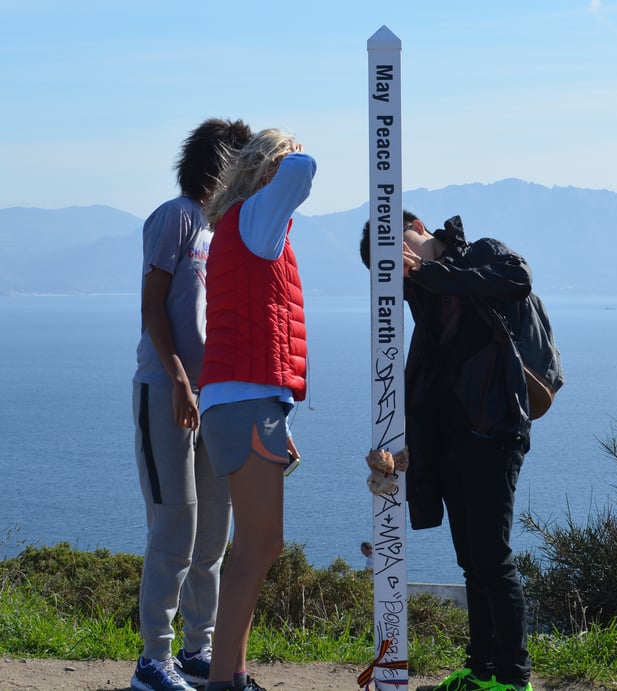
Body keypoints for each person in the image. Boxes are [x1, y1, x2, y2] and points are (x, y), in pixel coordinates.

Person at [360, 213, 534, 691]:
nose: (393, 275)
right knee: (472, 564)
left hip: (496, 431)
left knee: (493, 558)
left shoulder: (478, 253)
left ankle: (515, 680)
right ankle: (481, 672)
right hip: (455, 439)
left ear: (412, 227)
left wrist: (427, 272)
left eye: (389, 261)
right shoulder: (424, 296)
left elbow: (518, 278)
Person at [131, 118, 253, 691]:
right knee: (175, 526)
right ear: (217, 164)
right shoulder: (177, 216)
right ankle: (153, 660)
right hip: (165, 389)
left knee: (212, 534)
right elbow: (153, 305)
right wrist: (180, 378)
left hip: (216, 399)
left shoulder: (218, 228)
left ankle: (197, 649)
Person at [197, 129, 317, 691]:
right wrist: (287, 153)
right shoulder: (257, 218)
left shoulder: (243, 223)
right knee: (258, 547)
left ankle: (234, 676)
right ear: (268, 168)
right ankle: (225, 682)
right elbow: (302, 172)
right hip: (245, 403)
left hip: (248, 403)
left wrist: (280, 414)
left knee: (251, 547)